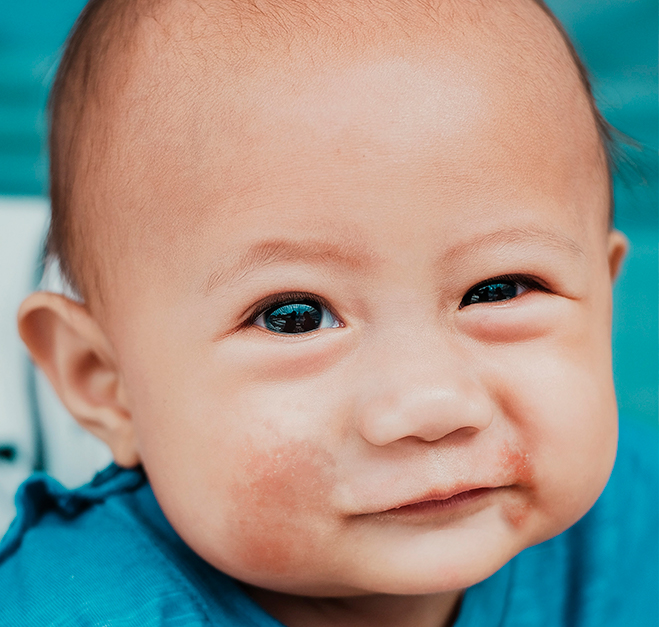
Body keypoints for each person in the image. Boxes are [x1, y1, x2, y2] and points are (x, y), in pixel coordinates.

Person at [1, 0, 656, 625]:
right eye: (294, 315)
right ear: (105, 381)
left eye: (500, 288)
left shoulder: (633, 522)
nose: (430, 405)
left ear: (601, 302)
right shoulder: (80, 609)